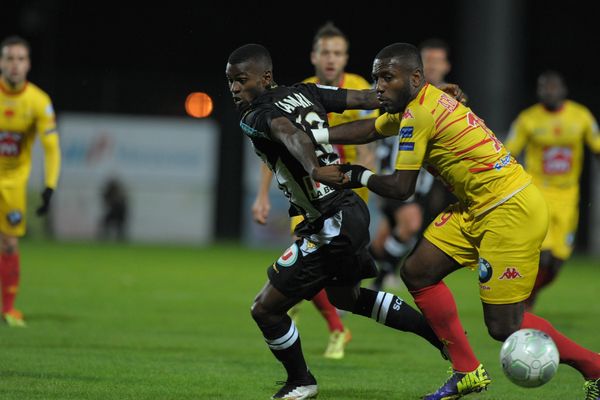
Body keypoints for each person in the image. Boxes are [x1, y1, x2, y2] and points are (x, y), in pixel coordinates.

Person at [313, 43, 600, 399]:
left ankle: (597, 368)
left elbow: (402, 188)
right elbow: (370, 129)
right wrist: (315, 136)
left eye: (388, 77)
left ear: (415, 78)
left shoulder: (419, 113)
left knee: (504, 326)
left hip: (509, 210)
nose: (379, 87)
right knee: (418, 272)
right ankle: (467, 371)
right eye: (376, 78)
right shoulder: (419, 102)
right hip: (477, 205)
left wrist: (354, 174)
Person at [226, 43, 449, 400]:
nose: (235, 89)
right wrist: (428, 93)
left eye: (241, 80)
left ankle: (301, 380)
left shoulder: (255, 115)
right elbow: (369, 97)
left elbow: (289, 133)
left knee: (265, 310)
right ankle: (442, 337)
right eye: (230, 82)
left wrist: (313, 167)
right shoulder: (306, 92)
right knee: (346, 296)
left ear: (265, 78)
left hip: (333, 218)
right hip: (346, 211)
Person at [251, 21, 378, 360]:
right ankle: (337, 328)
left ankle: (316, 310)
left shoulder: (358, 87)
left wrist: (368, 167)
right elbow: (274, 152)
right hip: (311, 194)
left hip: (348, 190)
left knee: (334, 277)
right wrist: (262, 195)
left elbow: (373, 131)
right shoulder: (299, 91)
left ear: (346, 57)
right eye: (325, 53)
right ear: (314, 57)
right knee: (305, 253)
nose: (331, 59)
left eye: (337, 53)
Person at [505, 71, 600, 310]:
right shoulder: (528, 119)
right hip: (539, 193)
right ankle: (522, 301)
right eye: (543, 88)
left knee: (557, 262)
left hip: (568, 197)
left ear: (563, 90)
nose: (549, 92)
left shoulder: (581, 116)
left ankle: (529, 293)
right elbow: (508, 153)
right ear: (538, 92)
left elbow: (597, 147)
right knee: (543, 255)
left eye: (553, 87)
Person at [0, 35, 61, 327]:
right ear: (1, 62)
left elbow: (51, 148)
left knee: (9, 244)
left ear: (28, 64)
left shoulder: (38, 101)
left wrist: (50, 186)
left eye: (20, 59)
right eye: (9, 58)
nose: (15, 64)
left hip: (12, 183)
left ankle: (9, 310)